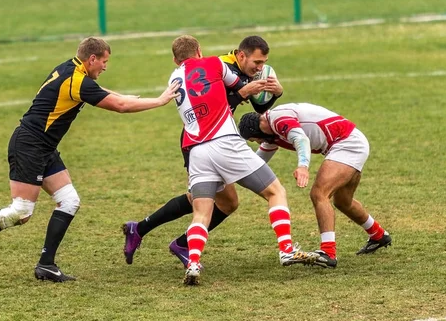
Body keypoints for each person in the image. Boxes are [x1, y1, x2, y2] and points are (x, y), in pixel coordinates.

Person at [0, 37, 180, 282]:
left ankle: (46, 264)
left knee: (69, 201)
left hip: (43, 147)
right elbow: (119, 106)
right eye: (104, 62)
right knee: (21, 212)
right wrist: (160, 100)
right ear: (92, 59)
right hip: (29, 146)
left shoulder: (69, 68)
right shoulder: (77, 80)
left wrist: (125, 95)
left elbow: (100, 91)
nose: (105, 67)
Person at [122, 36, 283, 268]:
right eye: (256, 63)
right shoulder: (219, 66)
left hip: (213, 137)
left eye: (262, 64)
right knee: (208, 201)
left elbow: (257, 104)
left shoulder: (231, 69)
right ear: (241, 55)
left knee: (224, 202)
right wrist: (242, 92)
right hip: (201, 139)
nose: (259, 68)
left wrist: (274, 93)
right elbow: (220, 103)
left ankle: (146, 231)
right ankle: (169, 239)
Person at [167, 35, 316, 285]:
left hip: (196, 150)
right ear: (200, 52)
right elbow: (242, 89)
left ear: (175, 60)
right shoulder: (214, 63)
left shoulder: (173, 79)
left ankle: (193, 263)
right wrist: (270, 90)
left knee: (201, 213)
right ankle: (287, 249)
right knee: (275, 192)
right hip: (225, 141)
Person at [238, 103, 392, 268]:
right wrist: (229, 175)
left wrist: (303, 166)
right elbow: (257, 163)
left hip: (347, 143)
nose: (258, 142)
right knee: (343, 201)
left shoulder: (277, 119)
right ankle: (378, 235)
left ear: (259, 129)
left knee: (319, 194)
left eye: (255, 139)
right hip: (349, 142)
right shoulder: (272, 133)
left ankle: (328, 252)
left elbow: (301, 139)